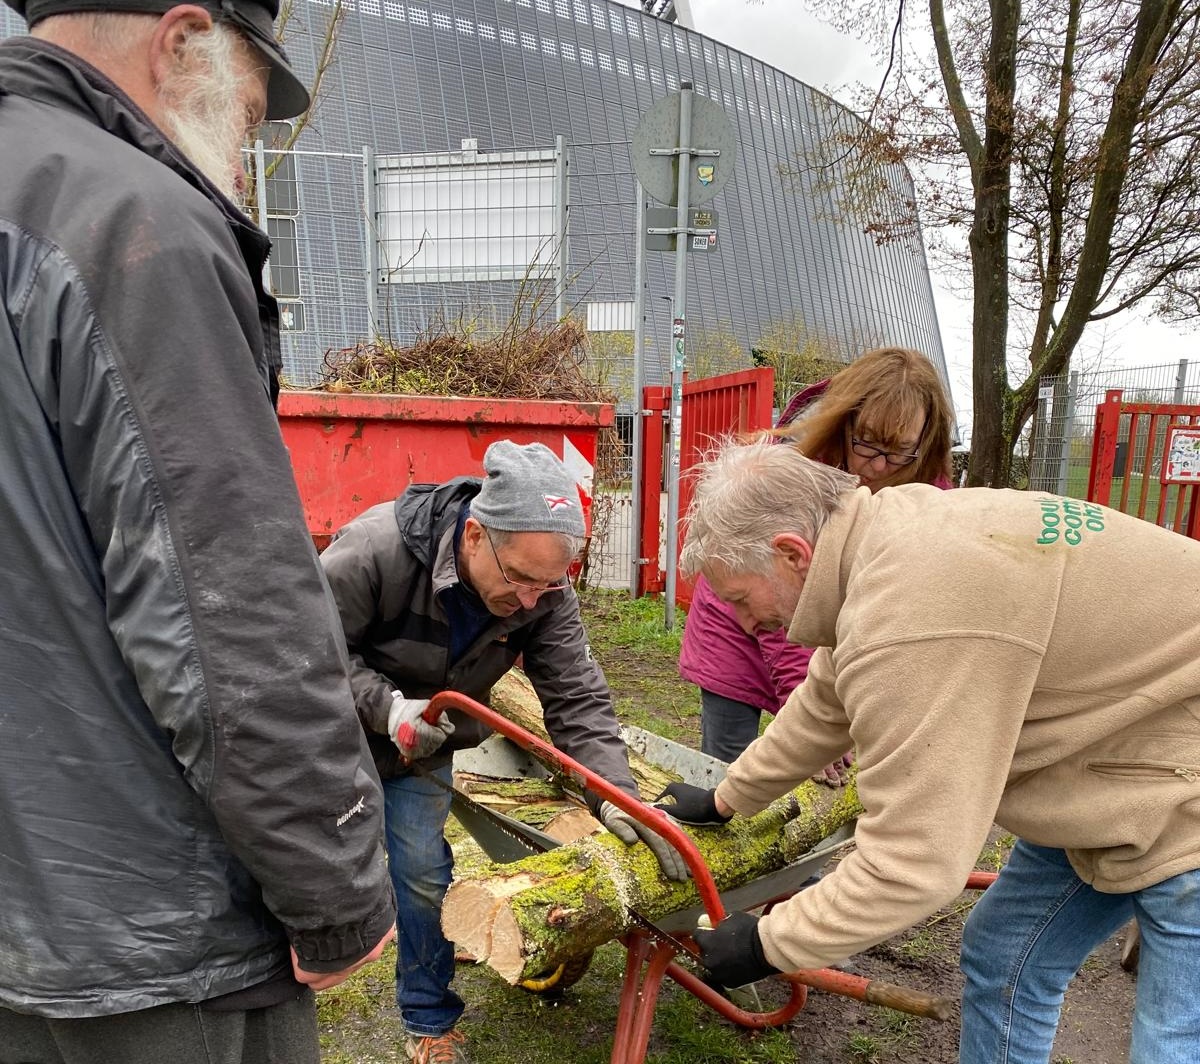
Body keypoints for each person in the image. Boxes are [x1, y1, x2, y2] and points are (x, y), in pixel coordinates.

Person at [0, 5, 397, 1064]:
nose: (247, 148)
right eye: (254, 112)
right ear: (180, 40)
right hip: (143, 940)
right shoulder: (135, 221)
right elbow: (230, 616)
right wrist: (337, 890)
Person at [658, 438, 1200, 1064]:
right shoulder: (888, 541)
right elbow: (829, 694)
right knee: (1006, 954)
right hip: (1116, 767)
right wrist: (729, 797)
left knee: (1173, 1039)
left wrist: (768, 942)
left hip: (1178, 786)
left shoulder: (915, 611)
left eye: (739, 600)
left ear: (790, 553)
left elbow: (913, 864)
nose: (746, 625)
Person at [321, 440, 687, 1064]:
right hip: (329, 740)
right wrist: (386, 708)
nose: (528, 600)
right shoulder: (372, 552)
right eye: (518, 578)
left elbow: (577, 700)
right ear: (472, 536)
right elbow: (307, 655)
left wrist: (617, 797)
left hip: (420, 750)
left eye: (547, 585)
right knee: (304, 876)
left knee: (421, 875)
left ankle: (429, 1021)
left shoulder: (543, 593)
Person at [679, 347, 954, 767]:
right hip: (741, 616)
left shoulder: (930, 487)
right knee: (729, 760)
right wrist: (807, 719)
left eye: (898, 450)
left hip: (820, 630)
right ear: (845, 422)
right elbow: (781, 603)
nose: (879, 465)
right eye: (867, 444)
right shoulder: (797, 461)